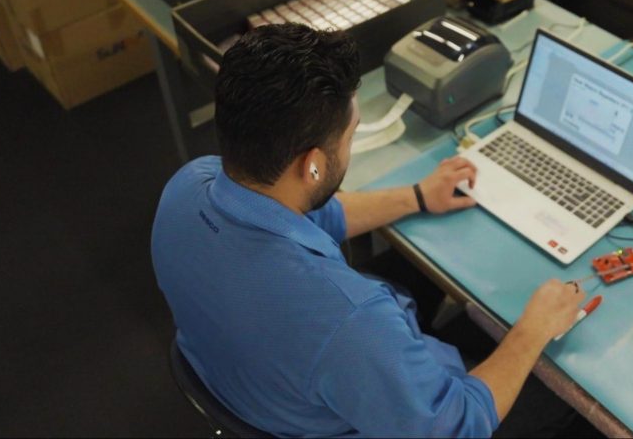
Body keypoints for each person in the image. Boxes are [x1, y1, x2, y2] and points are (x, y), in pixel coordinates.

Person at [151, 24, 587, 437]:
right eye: (350, 134)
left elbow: (317, 212)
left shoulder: (189, 184)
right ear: (313, 164)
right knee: (562, 404)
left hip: (249, 381)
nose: (350, 145)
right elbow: (457, 426)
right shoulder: (350, 320)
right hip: (364, 414)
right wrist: (533, 329)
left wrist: (418, 195)